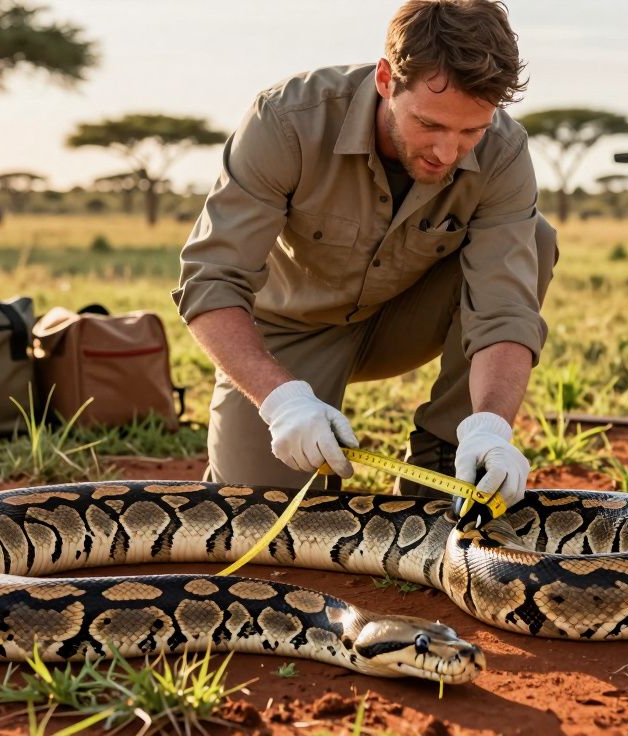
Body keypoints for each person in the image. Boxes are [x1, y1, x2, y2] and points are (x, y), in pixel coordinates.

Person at [171, 0, 557, 510]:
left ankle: (445, 452)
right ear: (384, 79)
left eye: (471, 131)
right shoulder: (286, 121)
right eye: (430, 124)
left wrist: (490, 426)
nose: (447, 152)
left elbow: (503, 308)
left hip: (402, 320)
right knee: (258, 512)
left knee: (537, 237)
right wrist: (280, 401)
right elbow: (211, 280)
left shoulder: (504, 151)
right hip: (287, 332)